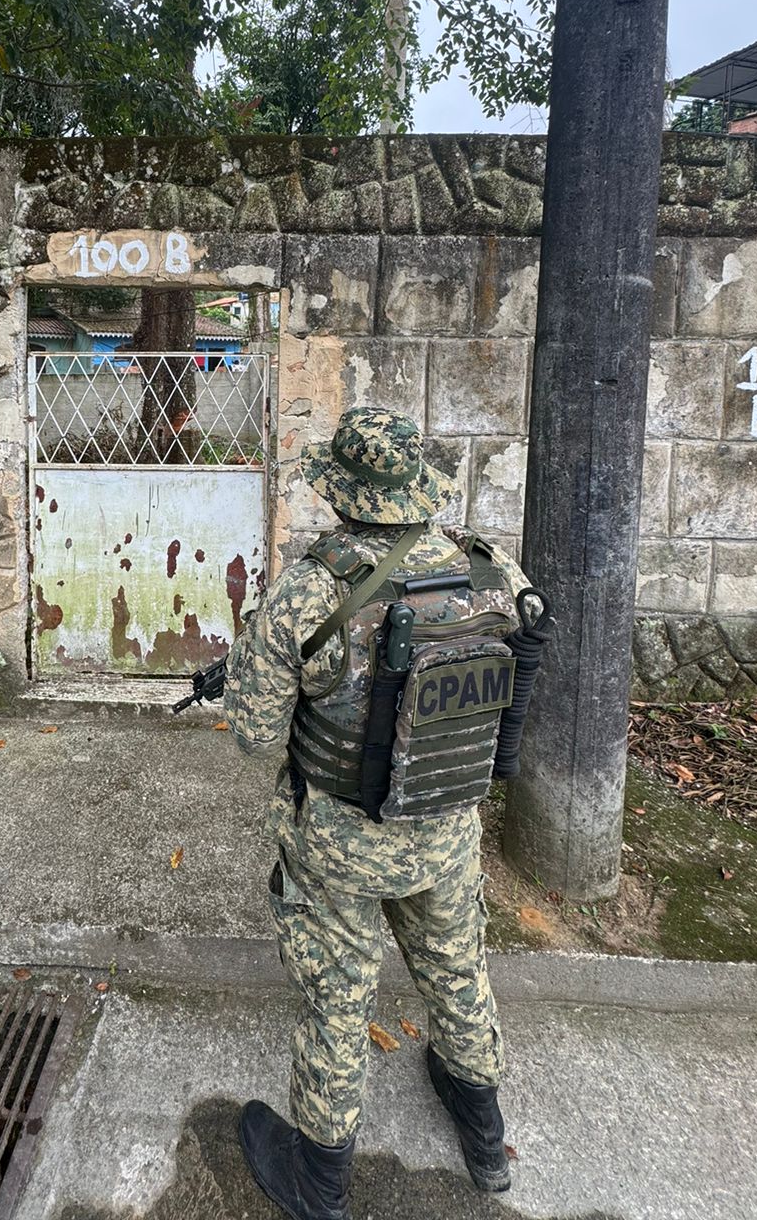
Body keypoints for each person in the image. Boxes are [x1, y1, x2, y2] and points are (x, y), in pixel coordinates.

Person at [223, 407, 533, 1220]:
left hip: (340, 845)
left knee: (338, 993)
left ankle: (319, 1182)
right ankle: (484, 1138)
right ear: (415, 486)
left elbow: (255, 738)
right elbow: (527, 641)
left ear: (342, 493)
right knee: (458, 969)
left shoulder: (310, 587)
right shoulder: (488, 567)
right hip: (448, 827)